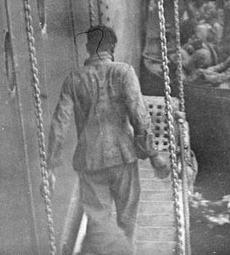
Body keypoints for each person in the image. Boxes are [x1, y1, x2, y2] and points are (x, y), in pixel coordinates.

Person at [48, 25, 170, 255]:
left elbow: (59, 124)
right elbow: (139, 115)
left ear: (88, 47)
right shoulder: (123, 72)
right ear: (112, 47)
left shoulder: (74, 78)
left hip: (90, 161)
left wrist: (50, 165)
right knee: (126, 221)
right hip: (123, 156)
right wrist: (153, 155)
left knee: (98, 225)